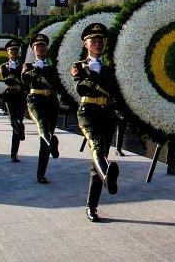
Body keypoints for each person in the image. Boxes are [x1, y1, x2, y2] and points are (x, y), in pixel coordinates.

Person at [71, 23, 119, 222]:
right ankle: (108, 179)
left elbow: (115, 90)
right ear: (86, 44)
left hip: (106, 114)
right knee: (97, 149)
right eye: (93, 40)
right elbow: (80, 89)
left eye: (100, 40)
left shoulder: (110, 67)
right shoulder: (79, 66)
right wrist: (93, 75)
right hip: (88, 113)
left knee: (98, 160)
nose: (97, 43)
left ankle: (92, 206)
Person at [21, 33, 61, 184]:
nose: (40, 48)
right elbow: (25, 79)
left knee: (44, 140)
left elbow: (57, 82)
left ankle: (42, 173)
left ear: (46, 48)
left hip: (51, 102)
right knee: (42, 125)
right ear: (33, 50)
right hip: (35, 100)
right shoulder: (28, 66)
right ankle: (51, 143)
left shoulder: (53, 66)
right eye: (37, 46)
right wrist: (36, 69)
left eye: (43, 45)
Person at [0, 39, 26, 163]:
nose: (14, 52)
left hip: (21, 96)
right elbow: (7, 80)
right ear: (8, 52)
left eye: (16, 50)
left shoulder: (23, 65)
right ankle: (14, 152)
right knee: (13, 120)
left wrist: (16, 75)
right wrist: (14, 72)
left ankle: (13, 154)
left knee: (18, 122)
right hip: (10, 96)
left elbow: (24, 80)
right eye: (12, 50)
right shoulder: (3, 66)